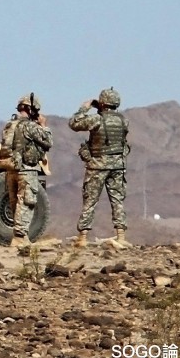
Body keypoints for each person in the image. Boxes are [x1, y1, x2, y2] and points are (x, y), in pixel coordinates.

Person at [69, 87, 132, 248]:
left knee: (90, 201)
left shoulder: (97, 119)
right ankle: (121, 236)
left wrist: (85, 108)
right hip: (117, 166)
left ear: (102, 103)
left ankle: (83, 237)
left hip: (97, 165)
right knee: (117, 200)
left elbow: (74, 123)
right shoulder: (123, 121)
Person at [0, 94, 53, 247]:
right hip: (26, 169)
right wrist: (44, 125)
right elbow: (48, 142)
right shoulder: (29, 126)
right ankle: (20, 237)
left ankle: (20, 236)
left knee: (15, 202)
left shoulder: (10, 125)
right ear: (30, 109)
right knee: (27, 202)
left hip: (11, 169)